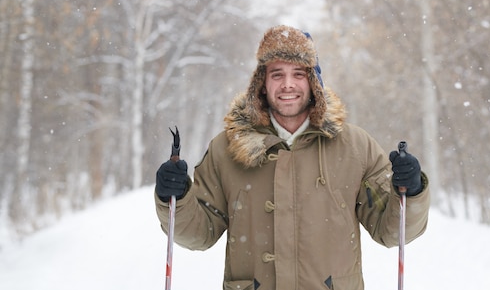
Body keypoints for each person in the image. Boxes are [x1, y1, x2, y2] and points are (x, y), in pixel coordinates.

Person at [155, 25, 430, 290]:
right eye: (277, 74)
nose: (288, 85)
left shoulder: (355, 147)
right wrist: (175, 200)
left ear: (313, 81)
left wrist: (411, 190)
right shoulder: (226, 150)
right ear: (262, 83)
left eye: (298, 74)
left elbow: (392, 231)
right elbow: (199, 234)